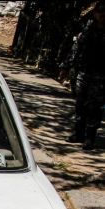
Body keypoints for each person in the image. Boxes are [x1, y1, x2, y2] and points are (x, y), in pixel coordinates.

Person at [61, 0, 105, 151]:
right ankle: (78, 133)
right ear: (95, 13)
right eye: (99, 12)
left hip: (100, 76)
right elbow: (76, 48)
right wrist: (66, 66)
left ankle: (89, 138)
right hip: (84, 71)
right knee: (80, 103)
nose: (102, 15)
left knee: (94, 107)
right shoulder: (88, 28)